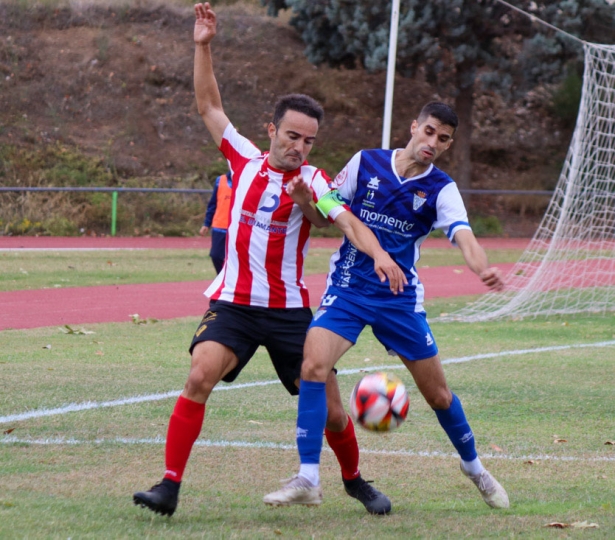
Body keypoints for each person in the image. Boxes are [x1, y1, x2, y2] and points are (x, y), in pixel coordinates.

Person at [133, 2, 407, 517]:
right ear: (273, 129)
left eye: (309, 140)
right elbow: (208, 106)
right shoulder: (242, 157)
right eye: (292, 136)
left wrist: (379, 255)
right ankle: (168, 486)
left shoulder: (317, 181)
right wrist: (203, 45)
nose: (300, 146)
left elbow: (343, 221)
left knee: (330, 410)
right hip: (234, 302)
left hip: (287, 312)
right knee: (199, 375)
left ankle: (353, 479)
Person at [263, 102, 510, 510]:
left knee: (439, 396)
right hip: (349, 288)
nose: (433, 142)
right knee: (312, 366)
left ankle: (474, 468)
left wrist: (481, 268)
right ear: (414, 126)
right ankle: (308, 476)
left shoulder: (441, 188)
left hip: (400, 301)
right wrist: (308, 201)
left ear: (448, 144)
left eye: (443, 139)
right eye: (428, 131)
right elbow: (328, 216)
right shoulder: (367, 162)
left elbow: (463, 234)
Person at [199, 170, 232, 274]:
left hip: (238, 228)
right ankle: (222, 278)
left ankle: (231, 281)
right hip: (219, 226)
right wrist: (206, 223)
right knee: (216, 255)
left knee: (235, 258)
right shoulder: (220, 180)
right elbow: (213, 204)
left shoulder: (247, 180)